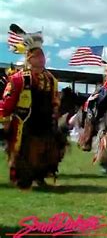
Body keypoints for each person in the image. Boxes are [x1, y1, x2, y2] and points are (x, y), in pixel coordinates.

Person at [0, 24, 66, 189]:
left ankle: (41, 176)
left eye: (42, 56)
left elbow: (55, 99)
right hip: (25, 121)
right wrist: (5, 118)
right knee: (24, 151)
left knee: (46, 150)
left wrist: (55, 111)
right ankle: (23, 178)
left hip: (44, 119)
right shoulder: (19, 79)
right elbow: (7, 100)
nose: (41, 59)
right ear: (29, 58)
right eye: (37, 56)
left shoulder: (50, 79)